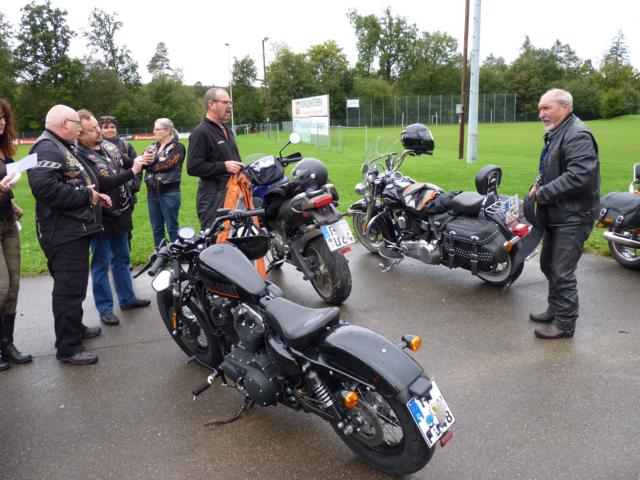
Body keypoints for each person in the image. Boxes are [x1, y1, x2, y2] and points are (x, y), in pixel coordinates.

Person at [27, 105, 111, 365]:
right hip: (62, 233)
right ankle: (68, 347)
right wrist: (87, 195)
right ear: (65, 124)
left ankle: (76, 328)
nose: (79, 130)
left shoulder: (59, 145)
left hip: (73, 229)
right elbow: (45, 188)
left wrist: (92, 194)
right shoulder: (46, 148)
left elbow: (73, 181)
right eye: (77, 124)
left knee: (75, 286)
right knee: (68, 290)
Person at [528, 88, 600, 339]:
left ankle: (565, 324)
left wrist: (543, 193)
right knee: (548, 264)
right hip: (558, 214)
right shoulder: (558, 132)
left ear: (565, 108)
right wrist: (538, 184)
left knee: (561, 271)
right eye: (540, 108)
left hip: (573, 216)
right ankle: (555, 309)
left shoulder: (577, 135)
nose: (541, 113)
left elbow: (579, 176)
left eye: (546, 108)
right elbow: (552, 168)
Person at [76, 110, 152, 326]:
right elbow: (102, 183)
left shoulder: (109, 146)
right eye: (93, 129)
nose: (98, 131)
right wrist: (133, 171)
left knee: (123, 258)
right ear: (80, 134)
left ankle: (127, 298)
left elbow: (127, 162)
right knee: (101, 263)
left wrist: (143, 160)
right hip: (101, 216)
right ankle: (105, 308)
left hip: (122, 210)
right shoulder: (79, 155)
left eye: (97, 127)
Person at [0, 99, 32, 370]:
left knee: (13, 288)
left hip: (8, 223)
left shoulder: (3, 150)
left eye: (2, 117)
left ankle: (7, 343)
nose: (1, 122)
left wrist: (12, 204)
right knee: (1, 288)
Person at [187, 87, 243, 230]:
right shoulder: (201, 132)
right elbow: (193, 167)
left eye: (230, 103)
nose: (229, 106)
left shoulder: (227, 130)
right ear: (211, 104)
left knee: (234, 235)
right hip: (212, 198)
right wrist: (224, 166)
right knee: (215, 238)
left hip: (232, 192)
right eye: (225, 102)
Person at [144, 118, 185, 247]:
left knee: (172, 228)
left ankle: (176, 256)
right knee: (157, 229)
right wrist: (155, 161)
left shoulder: (178, 147)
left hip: (169, 193)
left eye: (158, 129)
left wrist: (151, 163)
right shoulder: (152, 146)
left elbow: (167, 164)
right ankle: (161, 256)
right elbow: (142, 162)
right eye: (154, 129)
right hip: (152, 194)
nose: (154, 132)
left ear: (168, 130)